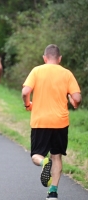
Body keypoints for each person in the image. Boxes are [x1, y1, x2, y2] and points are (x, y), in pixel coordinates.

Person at [22, 44, 81, 200]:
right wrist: (73, 102)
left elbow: (25, 91)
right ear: (59, 59)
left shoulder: (37, 70)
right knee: (57, 156)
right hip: (60, 122)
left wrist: (28, 104)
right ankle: (53, 192)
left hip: (40, 120)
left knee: (36, 155)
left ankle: (43, 162)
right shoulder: (67, 73)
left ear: (44, 58)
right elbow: (77, 99)